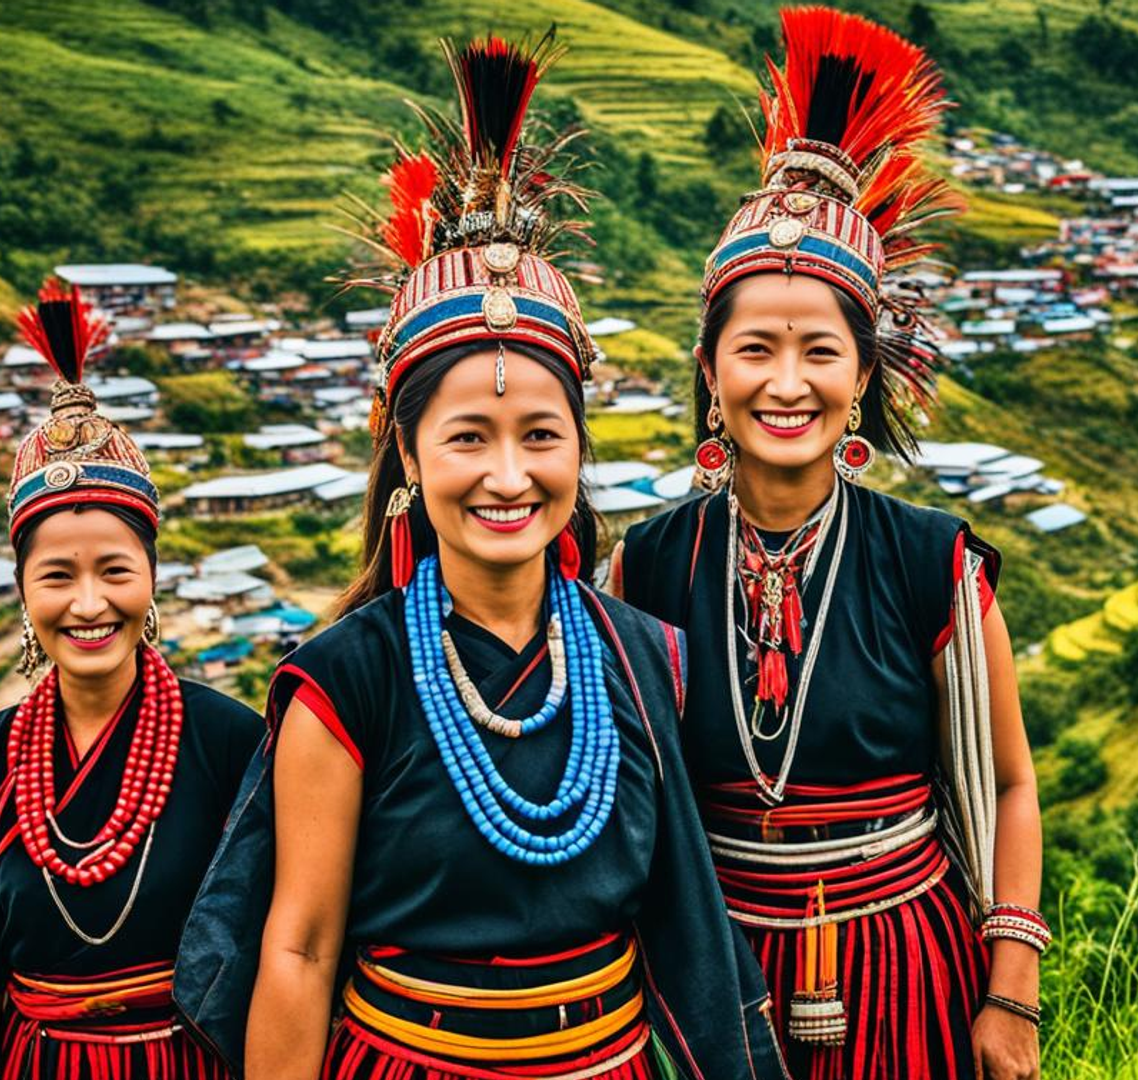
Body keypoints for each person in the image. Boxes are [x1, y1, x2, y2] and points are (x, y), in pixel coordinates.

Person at [172, 32, 787, 1080]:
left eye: (541, 435)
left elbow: (685, 914)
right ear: (407, 451)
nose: (509, 475)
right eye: (469, 436)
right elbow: (299, 946)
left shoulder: (644, 658)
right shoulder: (345, 681)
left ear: (579, 449)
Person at [610, 8, 1047, 1080]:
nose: (787, 381)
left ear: (863, 376)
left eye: (820, 348)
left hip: (913, 964)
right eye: (755, 347)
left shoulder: (930, 564)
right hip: (711, 974)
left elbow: (1013, 788)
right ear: (711, 373)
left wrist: (1011, 995)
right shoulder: (646, 568)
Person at [0, 280, 264, 1080]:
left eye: (115, 569)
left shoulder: (230, 738)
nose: (87, 604)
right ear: (22, 591)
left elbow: (273, 943)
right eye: (55, 577)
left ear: (153, 577)